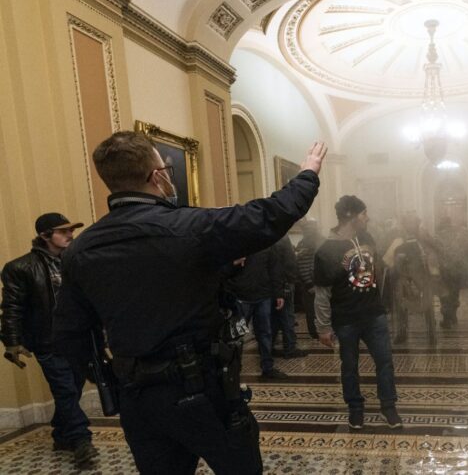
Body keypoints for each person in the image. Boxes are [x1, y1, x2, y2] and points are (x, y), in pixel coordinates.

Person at [52, 131, 327, 474]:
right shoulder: (189, 227)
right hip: (202, 388)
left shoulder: (81, 249)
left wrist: (109, 377)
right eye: (165, 169)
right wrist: (308, 173)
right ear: (157, 176)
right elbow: (269, 215)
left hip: (138, 396)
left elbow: (69, 333)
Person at [0, 213, 97, 469]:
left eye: (71, 230)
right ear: (45, 236)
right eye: (63, 231)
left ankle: (61, 435)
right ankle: (82, 440)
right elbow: (11, 307)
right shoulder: (20, 268)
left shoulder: (76, 262)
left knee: (72, 391)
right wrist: (11, 341)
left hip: (77, 341)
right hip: (48, 342)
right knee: (66, 391)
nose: (70, 235)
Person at [313, 195, 402, 431]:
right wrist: (323, 327)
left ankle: (388, 406)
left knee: (385, 361)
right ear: (351, 216)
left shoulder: (366, 238)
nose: (367, 218)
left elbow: (379, 267)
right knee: (349, 366)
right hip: (346, 319)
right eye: (364, 214)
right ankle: (355, 408)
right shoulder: (326, 250)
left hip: (374, 314)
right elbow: (322, 294)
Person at [224, 250, 288, 380]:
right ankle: (233, 370)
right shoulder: (238, 243)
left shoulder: (267, 245)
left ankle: (267, 368)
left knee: (265, 334)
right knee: (237, 336)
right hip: (241, 296)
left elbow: (274, 269)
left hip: (262, 295)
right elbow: (224, 268)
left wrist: (279, 293)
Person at [389, 213, 439, 346]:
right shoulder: (399, 240)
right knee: (402, 306)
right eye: (408, 223)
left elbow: (434, 255)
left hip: (423, 278)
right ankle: (402, 333)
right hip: (405, 279)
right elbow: (390, 261)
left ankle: (431, 334)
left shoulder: (424, 239)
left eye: (413, 222)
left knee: (427, 306)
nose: (410, 226)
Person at [270, 235, 307, 358]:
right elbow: (288, 263)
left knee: (274, 318)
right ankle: (290, 348)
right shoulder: (282, 238)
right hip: (284, 283)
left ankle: (269, 347)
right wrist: (290, 280)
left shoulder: (268, 237)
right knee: (287, 317)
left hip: (272, 284)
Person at [434, 216, 468, 329]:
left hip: (444, 270)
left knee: (445, 295)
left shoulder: (438, 236)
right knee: (455, 293)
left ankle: (446, 320)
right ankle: (454, 316)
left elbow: (435, 253)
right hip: (457, 269)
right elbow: (467, 248)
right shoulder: (458, 234)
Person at [296, 219, 325, 339]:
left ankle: (315, 333)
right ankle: (318, 332)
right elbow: (307, 265)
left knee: (312, 309)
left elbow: (301, 265)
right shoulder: (318, 242)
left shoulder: (303, 243)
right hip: (315, 282)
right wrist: (311, 283)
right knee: (318, 309)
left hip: (311, 282)